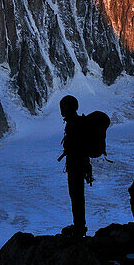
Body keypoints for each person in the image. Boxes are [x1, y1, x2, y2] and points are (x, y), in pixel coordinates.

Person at [57, 94, 92, 236]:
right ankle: (79, 225)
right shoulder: (76, 122)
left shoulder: (73, 124)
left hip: (76, 165)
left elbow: (77, 147)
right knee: (77, 195)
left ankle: (79, 227)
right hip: (79, 164)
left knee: (76, 195)